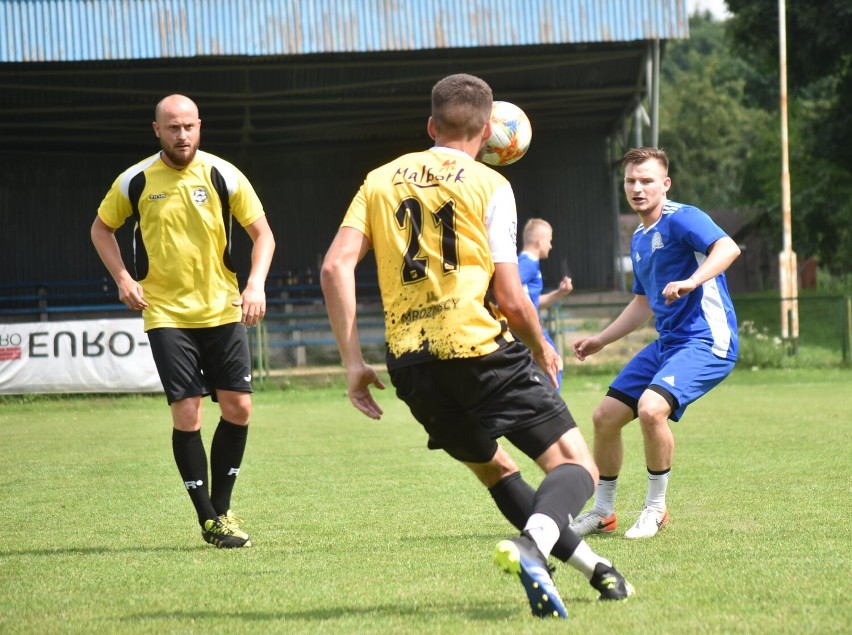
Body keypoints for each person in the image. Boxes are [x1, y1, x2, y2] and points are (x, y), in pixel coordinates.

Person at [321, 73, 632, 619]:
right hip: (479, 347)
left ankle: (596, 571)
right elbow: (511, 295)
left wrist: (353, 362)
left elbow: (334, 266)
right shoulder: (491, 184)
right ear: (490, 132)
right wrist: (540, 345)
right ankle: (533, 549)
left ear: (430, 125)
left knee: (498, 471)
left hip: (412, 361)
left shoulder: (379, 179)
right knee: (577, 467)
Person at [91, 94, 275, 548]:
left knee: (239, 408)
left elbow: (263, 234)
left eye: (189, 126)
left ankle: (222, 507)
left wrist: (255, 285)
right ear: (157, 130)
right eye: (173, 127)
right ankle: (209, 518)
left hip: (223, 309)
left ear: (199, 126)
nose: (182, 135)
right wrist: (123, 278)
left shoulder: (222, 173)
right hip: (166, 314)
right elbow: (101, 228)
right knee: (188, 412)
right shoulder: (134, 180)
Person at [570, 146, 740, 540]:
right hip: (669, 343)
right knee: (605, 417)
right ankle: (603, 511)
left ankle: (655, 509)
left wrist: (692, 281)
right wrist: (600, 339)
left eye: (646, 180)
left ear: (665, 184)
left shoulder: (683, 218)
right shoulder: (639, 236)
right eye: (630, 181)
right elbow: (643, 302)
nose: (637, 188)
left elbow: (727, 247)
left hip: (706, 338)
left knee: (650, 410)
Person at [518, 218, 573, 389]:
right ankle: (550, 410)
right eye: (549, 241)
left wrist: (559, 293)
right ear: (540, 240)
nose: (550, 246)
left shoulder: (525, 262)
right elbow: (510, 290)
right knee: (554, 363)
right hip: (529, 327)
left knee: (539, 369)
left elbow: (533, 302)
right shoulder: (528, 263)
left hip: (524, 327)